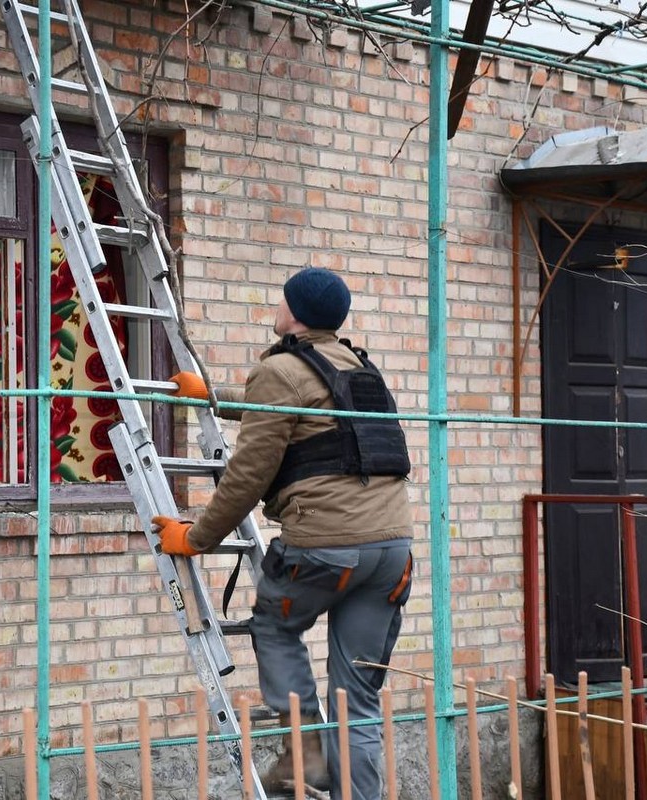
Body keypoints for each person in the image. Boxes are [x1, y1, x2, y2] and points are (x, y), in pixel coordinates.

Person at [151, 267, 414, 800]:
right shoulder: (360, 367)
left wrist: (195, 538)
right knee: (356, 706)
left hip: (324, 548)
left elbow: (248, 475)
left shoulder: (282, 369)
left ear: (294, 313)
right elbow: (307, 413)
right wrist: (215, 397)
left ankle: (304, 749)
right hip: (392, 551)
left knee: (273, 625)